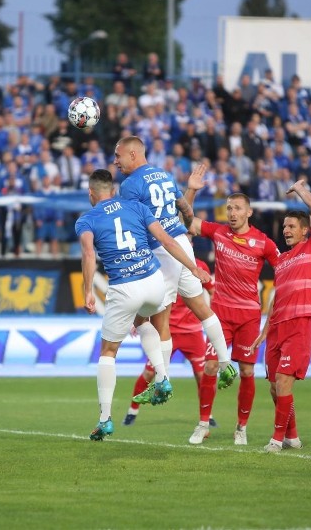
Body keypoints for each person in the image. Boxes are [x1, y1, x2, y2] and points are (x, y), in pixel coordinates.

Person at [76, 169, 211, 441]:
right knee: (144, 321)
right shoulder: (135, 206)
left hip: (124, 287)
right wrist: (192, 268)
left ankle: (104, 420)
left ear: (91, 193)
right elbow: (168, 240)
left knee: (108, 351)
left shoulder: (86, 219)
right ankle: (162, 376)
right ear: (113, 191)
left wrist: (88, 290)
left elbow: (89, 254)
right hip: (153, 280)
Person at [114, 137, 234, 410]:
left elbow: (134, 227)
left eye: (118, 156)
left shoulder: (130, 185)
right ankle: (226, 364)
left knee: (157, 321)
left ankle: (162, 381)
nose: (115, 162)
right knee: (202, 309)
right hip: (182, 243)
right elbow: (186, 209)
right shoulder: (164, 175)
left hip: (162, 249)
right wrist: (189, 226)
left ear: (133, 154)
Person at [184, 164, 280, 445]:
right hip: (220, 316)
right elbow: (185, 222)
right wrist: (191, 190)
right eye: (229, 208)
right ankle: (203, 424)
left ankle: (242, 427)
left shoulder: (263, 242)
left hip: (249, 317)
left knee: (247, 371)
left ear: (249, 212)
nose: (233, 213)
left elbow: (284, 270)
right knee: (210, 366)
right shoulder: (219, 233)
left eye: (238, 208)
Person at [250, 179, 311, 453]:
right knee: (274, 387)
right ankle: (292, 436)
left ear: (306, 231)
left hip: (299, 326)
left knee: (283, 382)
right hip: (277, 328)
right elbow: (276, 298)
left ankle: (276, 439)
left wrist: (300, 190)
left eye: (292, 226)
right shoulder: (281, 261)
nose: (286, 230)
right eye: (284, 227)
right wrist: (264, 330)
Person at [122, 258, 221, 442]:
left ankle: (208, 415)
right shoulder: (158, 264)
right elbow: (146, 296)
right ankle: (132, 410)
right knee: (149, 373)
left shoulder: (199, 266)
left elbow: (213, 291)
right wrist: (139, 320)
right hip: (166, 330)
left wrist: (211, 314)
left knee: (203, 375)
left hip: (192, 332)